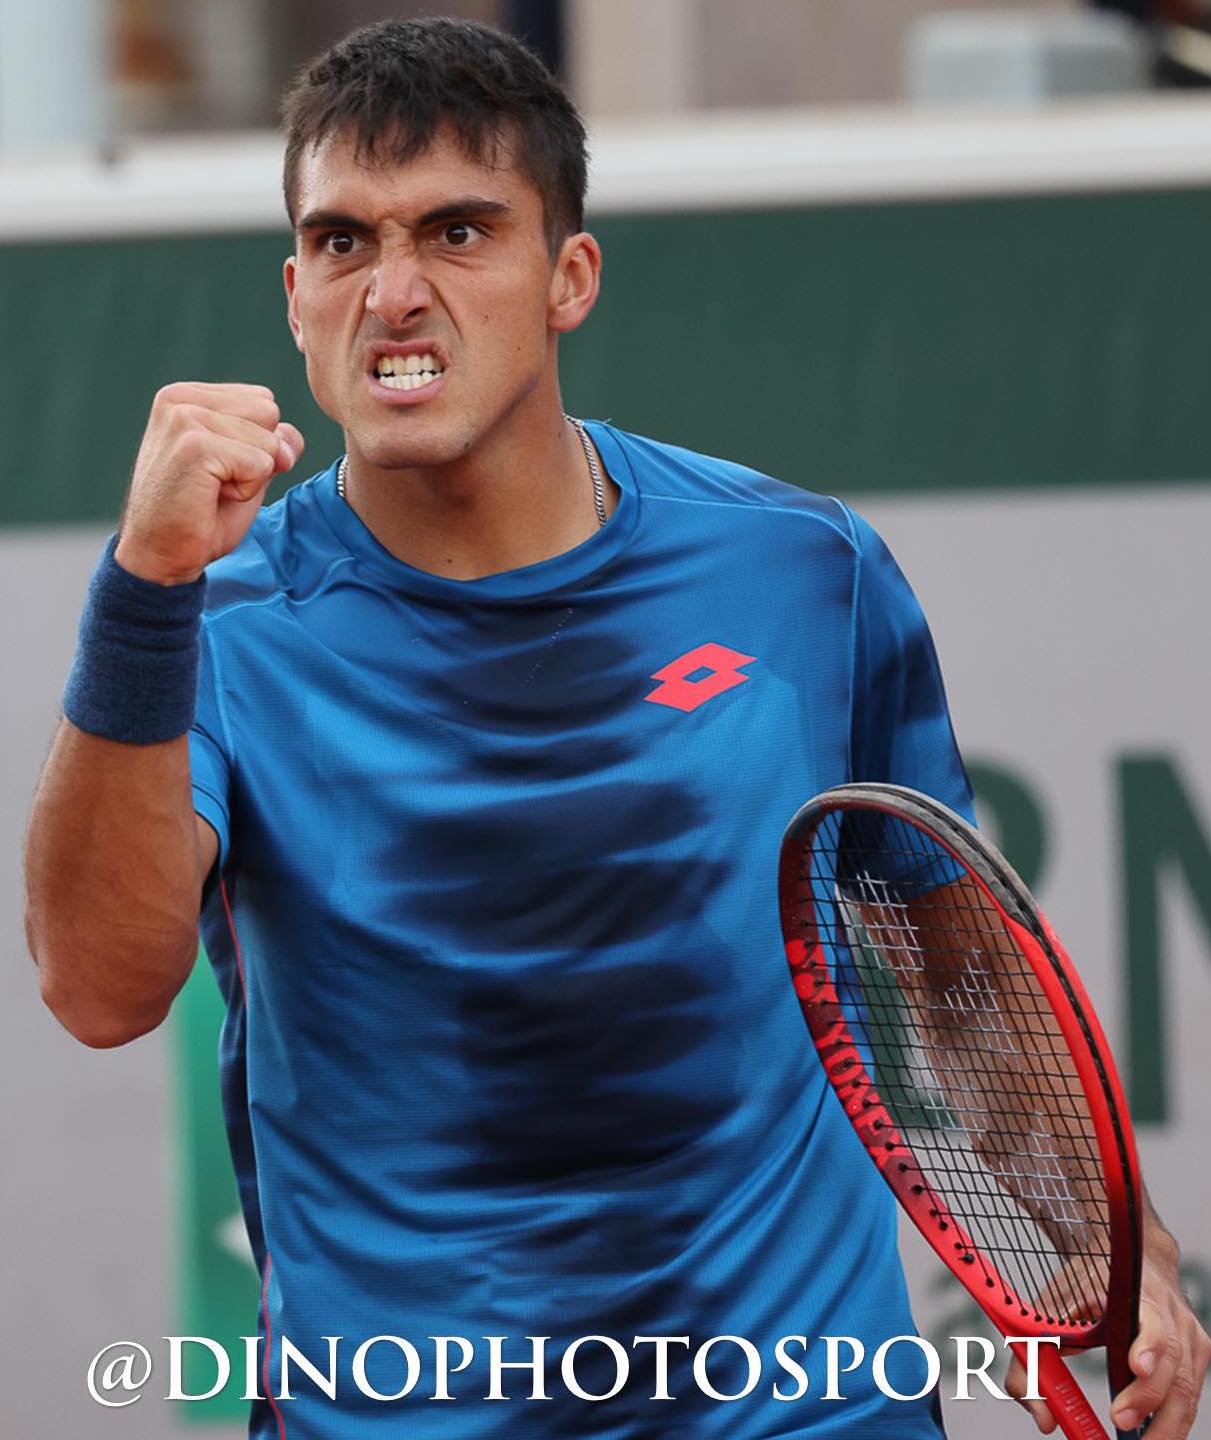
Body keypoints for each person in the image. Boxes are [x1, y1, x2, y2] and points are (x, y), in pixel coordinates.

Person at [24, 16, 1208, 1439]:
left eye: (459, 232)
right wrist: (144, 590)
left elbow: (961, 982)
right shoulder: (209, 624)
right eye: (343, 243)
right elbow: (97, 991)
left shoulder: (806, 573)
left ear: (568, 277)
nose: (393, 294)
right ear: (295, 295)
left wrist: (1115, 1252)